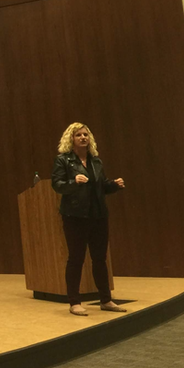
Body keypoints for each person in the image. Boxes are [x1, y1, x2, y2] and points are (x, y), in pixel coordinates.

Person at [51, 122, 126, 316]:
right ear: (71, 138)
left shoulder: (96, 161)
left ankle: (106, 299)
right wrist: (73, 182)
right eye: (79, 135)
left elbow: (100, 187)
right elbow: (57, 185)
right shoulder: (63, 160)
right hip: (75, 216)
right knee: (76, 259)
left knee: (100, 259)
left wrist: (114, 185)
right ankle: (74, 302)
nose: (83, 138)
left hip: (98, 215)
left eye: (86, 135)